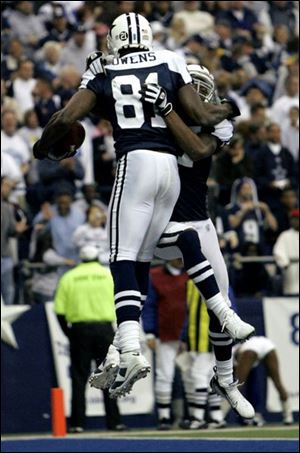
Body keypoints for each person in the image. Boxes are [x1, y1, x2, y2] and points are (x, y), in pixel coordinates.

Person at [33, 13, 237, 398]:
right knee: (145, 257)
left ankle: (130, 343)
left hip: (138, 167)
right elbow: (205, 117)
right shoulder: (171, 63)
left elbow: (68, 115)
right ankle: (124, 348)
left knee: (124, 256)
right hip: (168, 183)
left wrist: (42, 147)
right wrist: (226, 108)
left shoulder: (106, 69)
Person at [91, 64, 255, 419]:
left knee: (221, 305)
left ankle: (225, 380)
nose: (194, 93)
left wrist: (166, 109)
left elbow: (197, 149)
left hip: (199, 218)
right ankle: (117, 354)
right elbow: (112, 109)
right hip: (161, 220)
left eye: (200, 88)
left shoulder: (213, 124)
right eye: (189, 87)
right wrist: (101, 74)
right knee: (137, 281)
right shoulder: (151, 116)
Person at [54, 245, 125, 433]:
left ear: (81, 259)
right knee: (109, 376)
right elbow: (120, 302)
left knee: (78, 378)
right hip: (104, 330)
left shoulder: (68, 278)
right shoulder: (107, 275)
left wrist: (69, 334)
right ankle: (114, 422)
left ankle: (78, 423)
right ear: (96, 258)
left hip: (79, 331)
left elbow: (59, 312)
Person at [233, 336, 294, 426]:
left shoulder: (233, 355)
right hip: (268, 345)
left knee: (236, 387)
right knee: (278, 383)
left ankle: (221, 416)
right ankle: (288, 416)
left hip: (250, 350)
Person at [273, 208, 299, 296]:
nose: (296, 221)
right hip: (291, 279)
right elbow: (278, 251)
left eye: (297, 219)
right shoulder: (285, 235)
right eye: (293, 219)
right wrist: (284, 262)